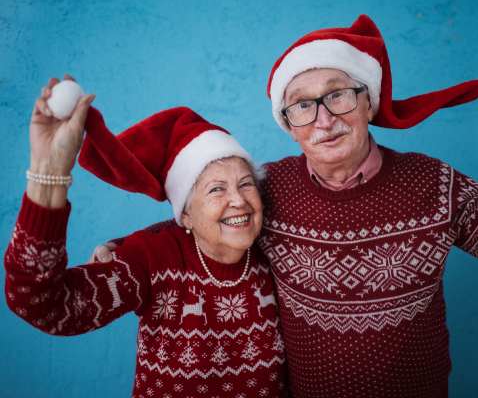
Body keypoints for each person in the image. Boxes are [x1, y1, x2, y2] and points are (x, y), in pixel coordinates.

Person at [91, 15, 478, 398]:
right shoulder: (269, 188)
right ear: (289, 123)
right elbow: (210, 221)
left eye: (339, 96)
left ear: (368, 103)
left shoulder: (434, 183)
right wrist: (129, 252)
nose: (323, 119)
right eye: (302, 105)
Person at [4, 76, 287, 398]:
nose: (238, 200)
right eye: (217, 189)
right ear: (186, 215)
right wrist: (49, 173)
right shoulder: (151, 260)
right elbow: (44, 305)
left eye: (246, 183)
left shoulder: (277, 249)